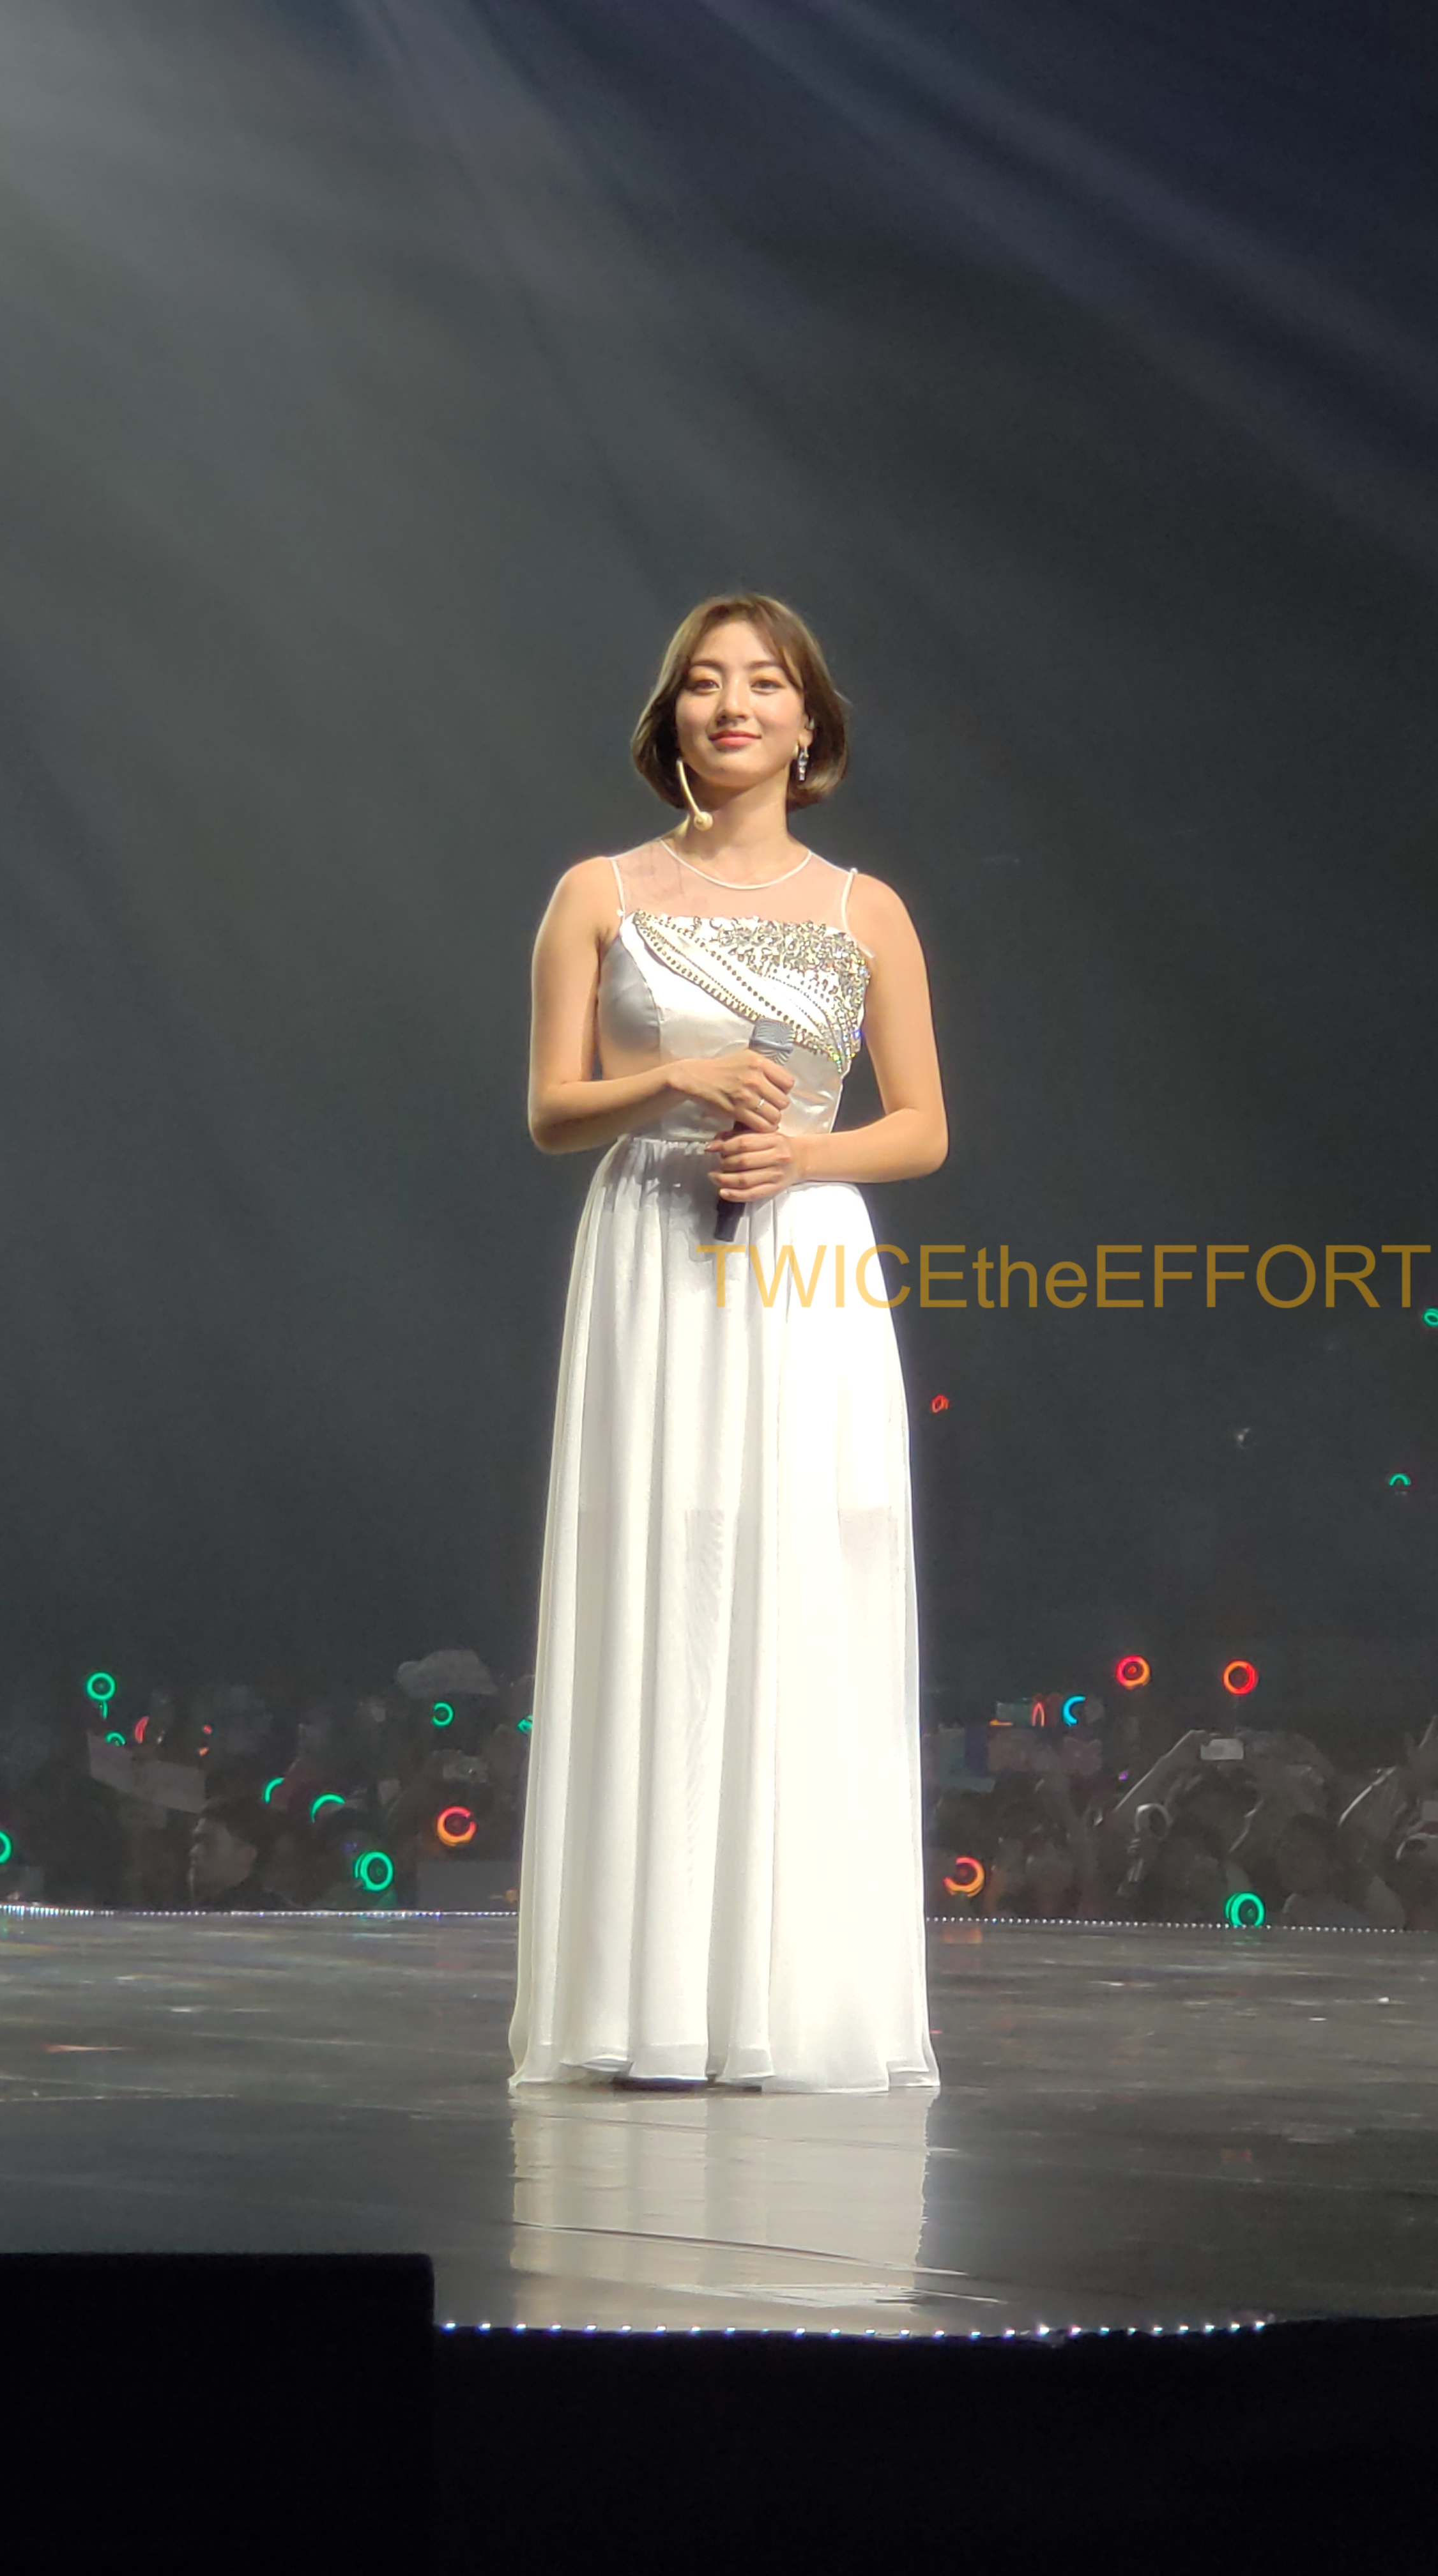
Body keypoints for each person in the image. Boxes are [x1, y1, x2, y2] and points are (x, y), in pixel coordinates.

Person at [509, 592, 947, 2093]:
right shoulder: (598, 893)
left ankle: (795, 1997)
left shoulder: (865, 910)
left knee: (804, 1581)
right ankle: (645, 2001)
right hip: (652, 1249)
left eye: (765, 682)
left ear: (809, 723)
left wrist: (805, 1156)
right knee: (662, 1580)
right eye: (705, 682)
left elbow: (923, 1128)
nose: (734, 704)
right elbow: (551, 1111)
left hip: (805, 1263)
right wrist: (675, 1082)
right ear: (672, 718)